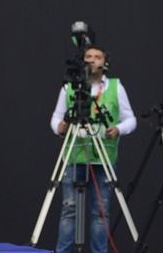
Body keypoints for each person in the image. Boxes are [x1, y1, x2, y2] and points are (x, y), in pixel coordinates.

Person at [50, 44, 136, 253]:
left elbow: (131, 119)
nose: (92, 60)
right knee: (69, 209)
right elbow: (56, 117)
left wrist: (118, 129)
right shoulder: (70, 87)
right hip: (74, 157)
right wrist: (59, 127)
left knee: (101, 212)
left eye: (97, 57)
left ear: (105, 62)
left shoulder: (116, 87)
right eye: (88, 56)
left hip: (103, 158)